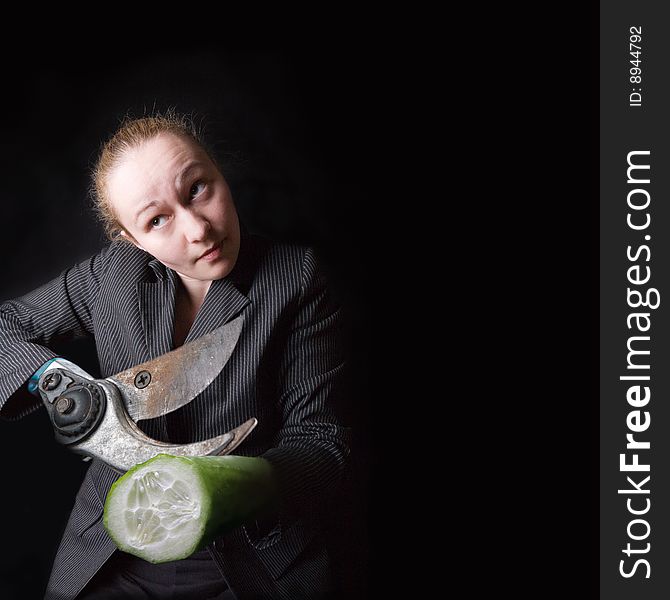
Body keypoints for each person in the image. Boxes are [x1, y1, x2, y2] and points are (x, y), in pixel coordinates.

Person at [0, 111, 352, 599]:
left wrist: (235, 488)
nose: (198, 230)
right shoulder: (112, 276)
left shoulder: (296, 279)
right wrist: (51, 379)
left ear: (218, 171)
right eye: (157, 219)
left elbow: (322, 444)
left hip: (248, 555)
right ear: (132, 239)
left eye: (198, 190)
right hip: (114, 550)